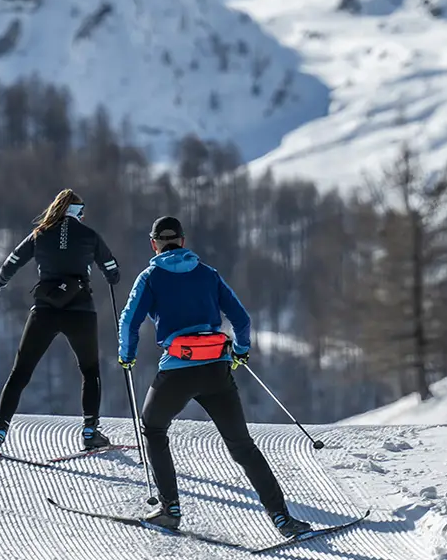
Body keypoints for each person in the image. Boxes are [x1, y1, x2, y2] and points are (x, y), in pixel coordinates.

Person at [117, 215, 313, 538]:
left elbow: (128, 322)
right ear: (183, 241)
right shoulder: (208, 274)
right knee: (242, 446)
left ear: (154, 245)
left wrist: (127, 355)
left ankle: (170, 510)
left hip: (177, 372)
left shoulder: (150, 277)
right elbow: (242, 318)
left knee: (153, 428)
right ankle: (282, 519)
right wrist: (241, 350)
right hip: (216, 371)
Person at [0, 188, 122, 453]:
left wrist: (1, 280)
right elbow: (112, 271)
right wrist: (109, 276)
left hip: (46, 309)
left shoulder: (40, 234)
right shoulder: (90, 236)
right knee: (90, 372)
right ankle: (89, 432)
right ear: (79, 213)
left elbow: (13, 261)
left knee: (21, 372)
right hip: (81, 311)